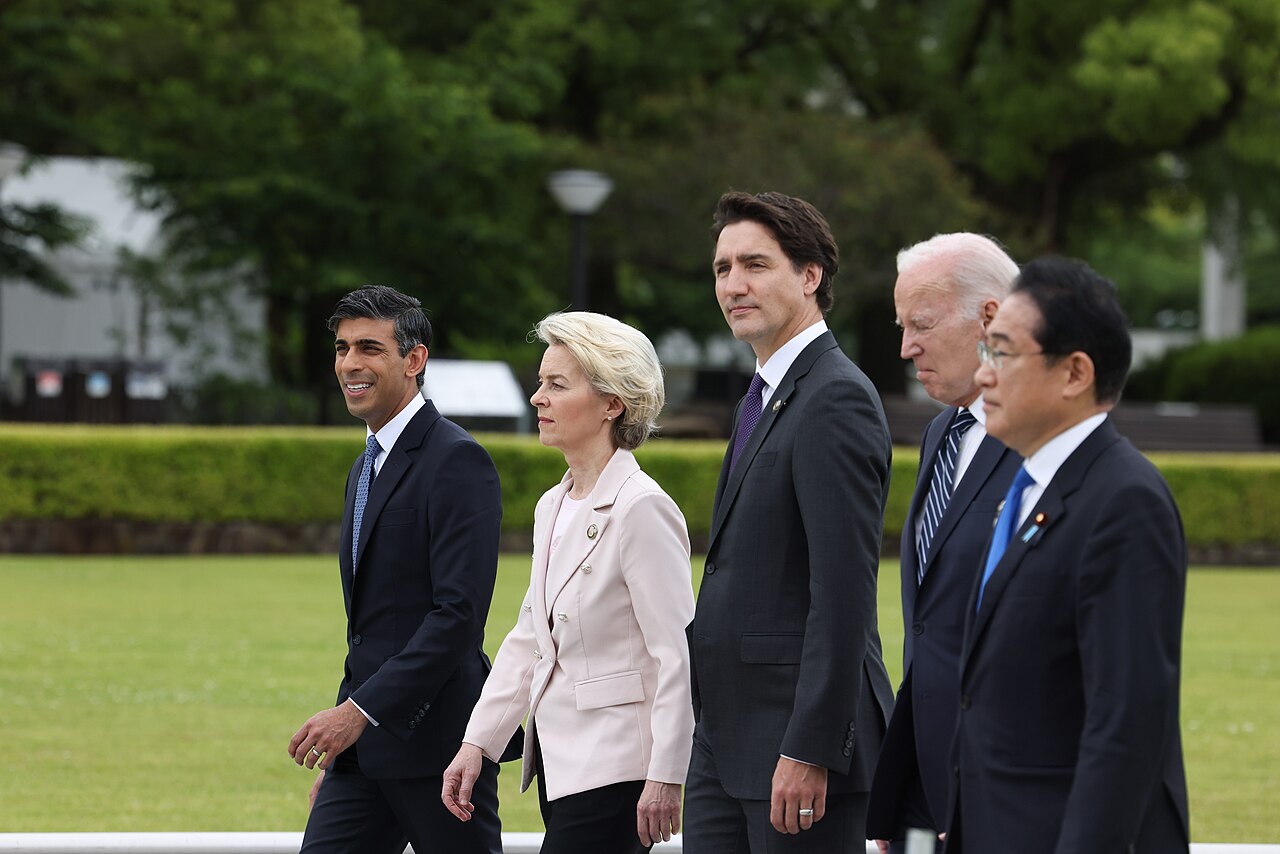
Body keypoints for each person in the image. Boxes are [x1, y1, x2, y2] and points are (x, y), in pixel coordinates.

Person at [946, 257, 1190, 852]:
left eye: (1001, 353)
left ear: (1075, 372)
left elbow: (1124, 723)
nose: (983, 378)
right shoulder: (1034, 488)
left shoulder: (1124, 501)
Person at [684, 190, 895, 853]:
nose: (734, 285)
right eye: (722, 269)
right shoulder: (766, 396)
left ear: (810, 276)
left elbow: (844, 595)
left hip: (796, 754)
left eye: (755, 264)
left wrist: (811, 747)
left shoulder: (834, 398)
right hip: (725, 742)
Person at [441, 311, 695, 853]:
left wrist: (666, 774)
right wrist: (476, 744)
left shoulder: (643, 507)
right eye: (540, 382)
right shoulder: (551, 505)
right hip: (560, 769)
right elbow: (531, 637)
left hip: (621, 771)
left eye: (557, 384)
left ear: (612, 403)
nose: (537, 398)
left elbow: (677, 654)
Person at [288, 284, 507, 854]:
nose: (349, 364)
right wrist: (347, 742)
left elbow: (457, 617)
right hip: (362, 756)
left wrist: (356, 714)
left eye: (369, 347)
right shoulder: (364, 466)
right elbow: (372, 624)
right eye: (341, 348)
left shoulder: (458, 460)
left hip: (440, 751)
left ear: (414, 360)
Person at [865, 234, 1022, 853]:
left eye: (922, 325)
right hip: (928, 786)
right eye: (902, 327)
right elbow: (930, 631)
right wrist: (906, 786)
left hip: (996, 792)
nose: (907, 348)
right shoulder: (942, 433)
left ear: (989, 318)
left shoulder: (1046, 450)